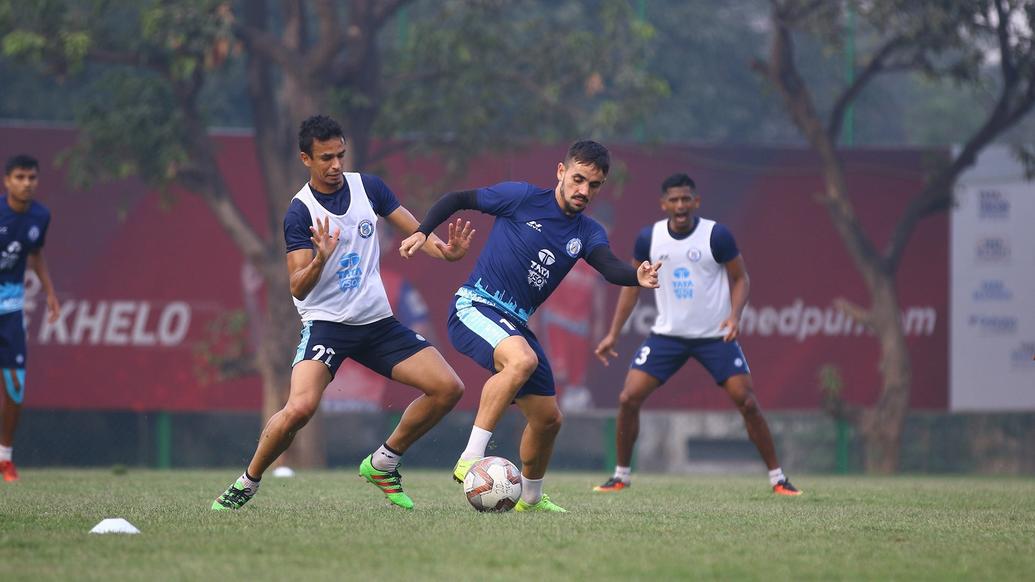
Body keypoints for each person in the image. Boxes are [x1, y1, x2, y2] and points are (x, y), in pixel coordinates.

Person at [212, 115, 473, 511]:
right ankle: (246, 483)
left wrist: (446, 252)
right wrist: (320, 259)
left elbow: (416, 232)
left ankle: (384, 462)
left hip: (377, 324)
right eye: (326, 158)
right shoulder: (300, 212)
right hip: (327, 327)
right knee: (299, 408)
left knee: (448, 388)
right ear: (305, 159)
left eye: (340, 156)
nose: (336, 165)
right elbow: (297, 285)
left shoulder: (369, 187)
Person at [399, 141, 661, 512]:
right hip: (475, 304)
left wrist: (636, 274)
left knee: (549, 419)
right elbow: (457, 198)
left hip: (514, 322)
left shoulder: (587, 232)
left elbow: (608, 265)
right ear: (560, 172)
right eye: (578, 179)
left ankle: (532, 498)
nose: (585, 191)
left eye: (595, 185)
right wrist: (423, 231)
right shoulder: (521, 197)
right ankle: (470, 457)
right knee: (521, 361)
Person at [592, 173, 801, 496]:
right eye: (673, 200)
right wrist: (613, 335)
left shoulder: (716, 236)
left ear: (696, 202)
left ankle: (778, 479)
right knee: (628, 398)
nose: (680, 205)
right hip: (668, 336)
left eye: (685, 199)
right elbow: (632, 287)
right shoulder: (649, 238)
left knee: (746, 400)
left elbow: (741, 279)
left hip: (714, 336)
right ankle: (620, 476)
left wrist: (734, 317)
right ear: (663, 204)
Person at [0, 155, 61, 483]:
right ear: (7, 181)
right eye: (20, 177)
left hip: (10, 310)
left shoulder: (41, 215)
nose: (26, 183)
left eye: (31, 177)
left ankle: (4, 458)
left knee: (15, 386)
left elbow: (35, 254)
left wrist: (49, 292)